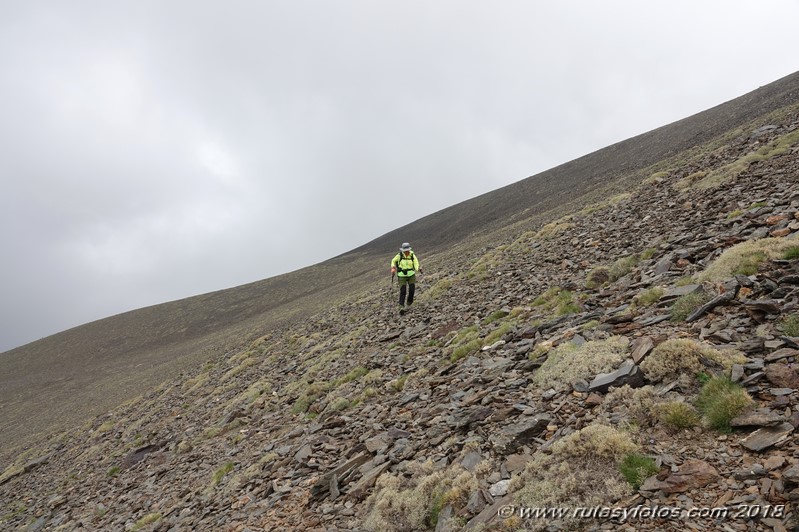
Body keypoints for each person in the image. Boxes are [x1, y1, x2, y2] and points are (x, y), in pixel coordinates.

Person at [390, 242, 421, 313]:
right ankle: (401, 306)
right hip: (402, 275)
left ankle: (409, 303)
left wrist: (418, 269)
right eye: (405, 250)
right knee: (403, 290)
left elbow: (416, 263)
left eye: (408, 250)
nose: (406, 251)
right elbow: (393, 261)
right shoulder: (399, 255)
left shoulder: (412, 255)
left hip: (411, 274)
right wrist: (393, 268)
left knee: (412, 289)